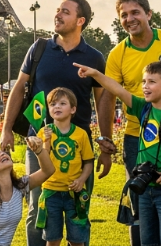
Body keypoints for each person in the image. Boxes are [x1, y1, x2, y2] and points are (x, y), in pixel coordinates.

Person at [0, 0, 113, 246]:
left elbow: (102, 100)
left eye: (65, 11)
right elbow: (19, 88)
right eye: (57, 10)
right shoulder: (38, 48)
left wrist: (105, 144)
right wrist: (6, 129)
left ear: (80, 20)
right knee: (38, 208)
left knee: (79, 208)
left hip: (78, 143)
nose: (58, 15)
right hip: (39, 143)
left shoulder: (94, 57)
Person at [76, 61, 161, 246]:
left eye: (151, 82)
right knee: (147, 241)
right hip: (145, 189)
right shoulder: (143, 108)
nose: (145, 86)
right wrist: (95, 74)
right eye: (143, 81)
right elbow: (118, 90)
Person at [104, 0, 161, 246]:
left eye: (135, 12)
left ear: (149, 14)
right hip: (136, 138)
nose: (130, 19)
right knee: (141, 200)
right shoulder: (118, 54)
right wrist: (106, 140)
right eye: (124, 15)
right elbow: (110, 96)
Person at [35, 88, 94, 246]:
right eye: (53, 104)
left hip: (73, 194)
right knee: (53, 239)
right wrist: (46, 142)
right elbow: (44, 161)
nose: (57, 107)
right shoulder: (44, 132)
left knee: (76, 239)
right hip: (50, 192)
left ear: (73, 109)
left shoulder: (81, 134)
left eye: (62, 103)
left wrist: (81, 180)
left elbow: (88, 162)